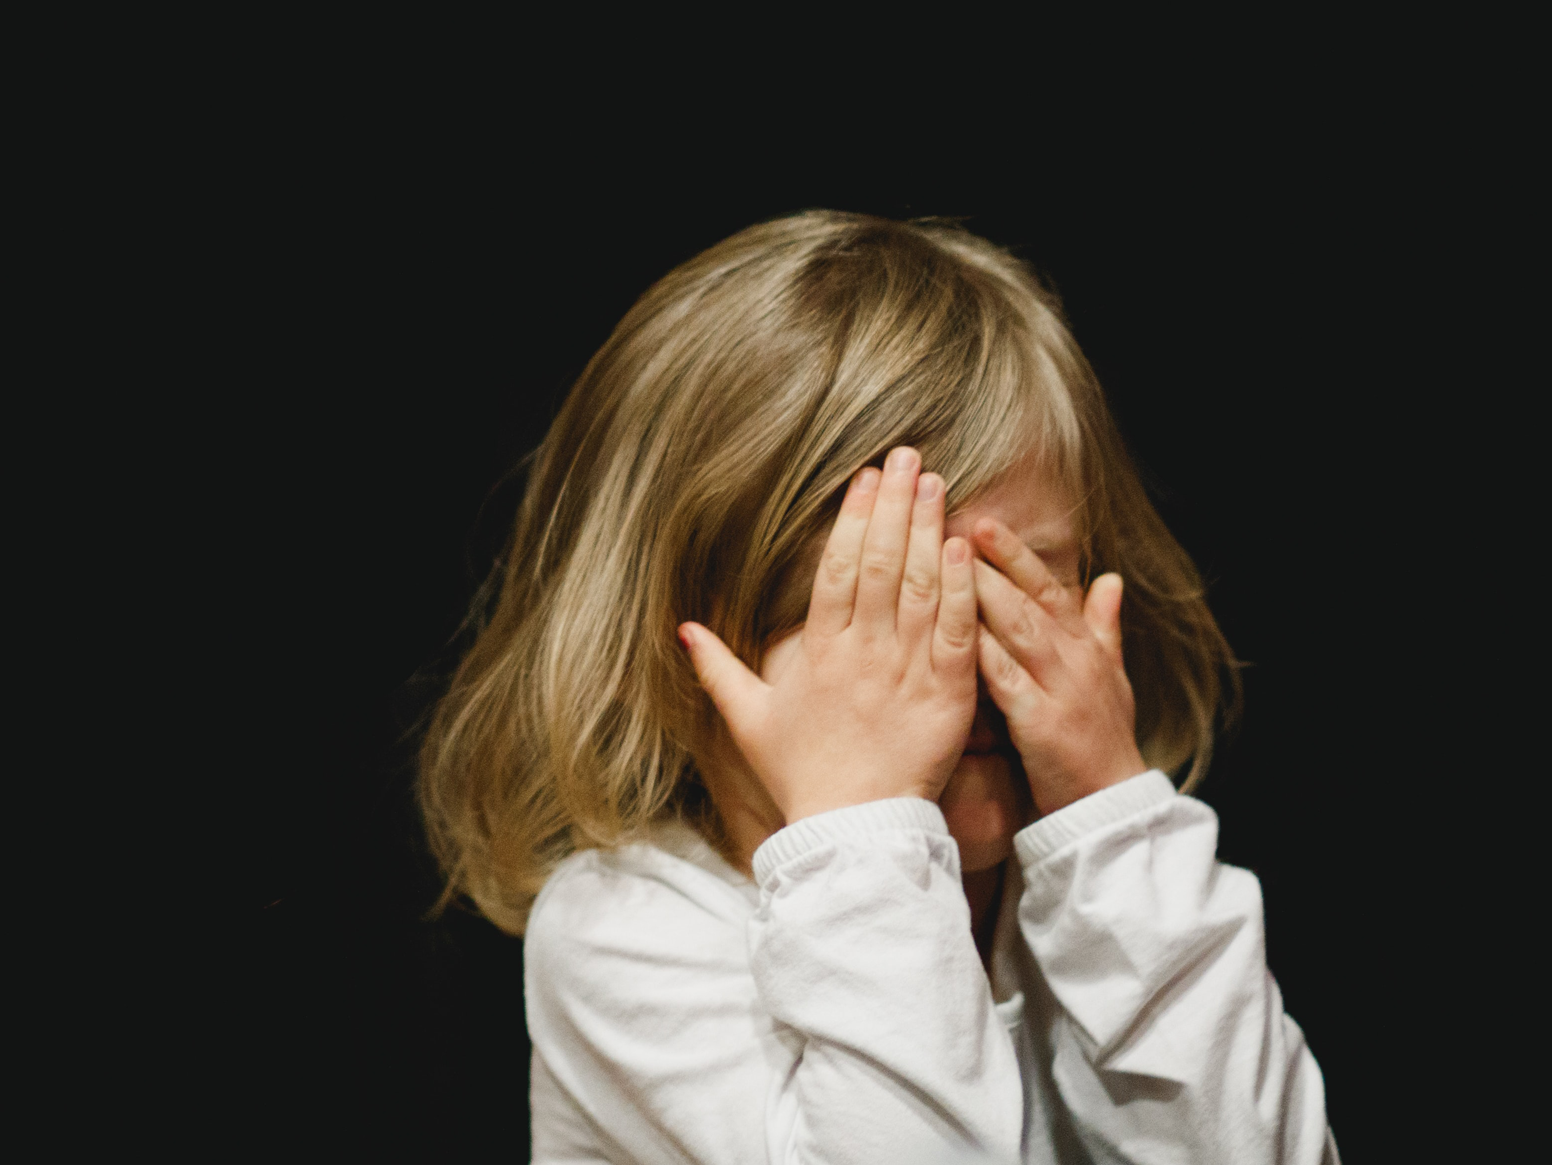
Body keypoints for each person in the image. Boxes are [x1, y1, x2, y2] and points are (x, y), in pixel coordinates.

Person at [420, 211, 1339, 1164]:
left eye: (1016, 582)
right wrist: (865, 829)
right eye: (882, 606)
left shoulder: (1102, 896)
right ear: (684, 646)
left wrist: (1114, 827)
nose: (958, 661)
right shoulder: (624, 929)